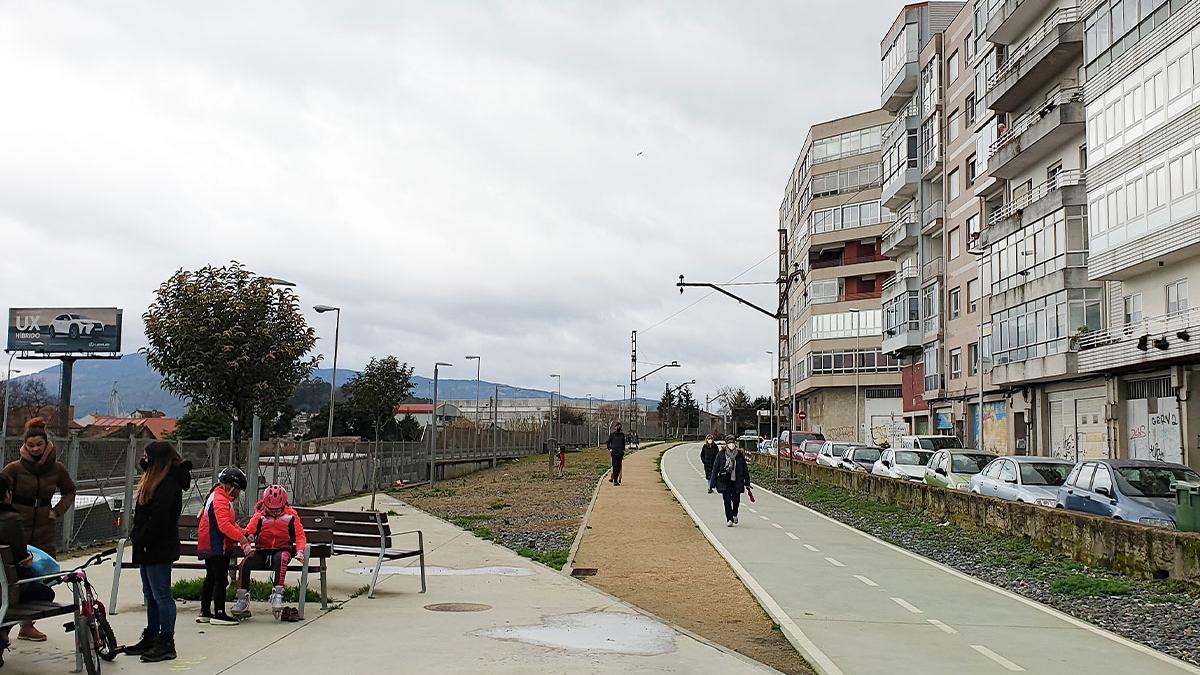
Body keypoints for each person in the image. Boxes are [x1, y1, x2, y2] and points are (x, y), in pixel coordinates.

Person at [0, 417, 76, 642]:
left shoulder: (57, 468)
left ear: (46, 444)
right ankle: (7, 624)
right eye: (30, 445)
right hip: (16, 526)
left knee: (40, 576)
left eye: (38, 445)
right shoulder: (13, 468)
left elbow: (70, 490)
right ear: (24, 445)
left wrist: (57, 511)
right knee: (13, 575)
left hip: (44, 527)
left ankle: (27, 624)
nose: (34, 449)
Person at [125, 441, 192, 662]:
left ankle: (166, 640)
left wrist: (143, 537)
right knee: (150, 594)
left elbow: (160, 517)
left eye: (147, 457)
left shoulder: (168, 483)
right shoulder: (155, 479)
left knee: (162, 594)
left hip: (157, 546)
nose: (143, 460)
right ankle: (152, 634)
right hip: (147, 546)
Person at [232, 485, 307, 620]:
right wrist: (247, 548)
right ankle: (242, 599)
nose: (275, 513)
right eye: (271, 510)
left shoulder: (291, 515)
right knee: (245, 564)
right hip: (262, 550)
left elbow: (300, 535)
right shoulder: (259, 516)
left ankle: (278, 595)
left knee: (282, 558)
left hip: (283, 549)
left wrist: (300, 551)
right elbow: (247, 534)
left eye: (278, 510)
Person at [0, 475, 54, 658]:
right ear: (7, 494)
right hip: (5, 590)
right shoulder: (11, 520)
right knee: (45, 593)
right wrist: (28, 558)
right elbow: (21, 558)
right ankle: (4, 631)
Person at [197, 467, 252, 626]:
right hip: (216, 545)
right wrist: (242, 540)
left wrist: (244, 532)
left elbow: (231, 523)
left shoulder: (218, 497)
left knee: (211, 578)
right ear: (231, 487)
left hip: (211, 544)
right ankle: (219, 614)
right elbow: (224, 526)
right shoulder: (220, 500)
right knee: (220, 578)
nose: (238, 495)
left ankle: (205, 612)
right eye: (238, 491)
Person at [708, 440, 750, 527]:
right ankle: (729, 518)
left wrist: (747, 482)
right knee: (727, 500)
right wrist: (712, 484)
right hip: (725, 481)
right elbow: (715, 469)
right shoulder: (721, 455)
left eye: (733, 443)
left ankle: (734, 514)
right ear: (726, 444)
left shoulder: (739, 455)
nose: (731, 445)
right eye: (729, 443)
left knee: (736, 500)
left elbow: (745, 469)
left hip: (736, 481)